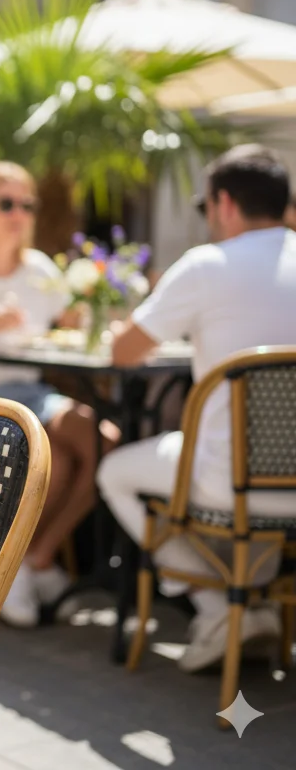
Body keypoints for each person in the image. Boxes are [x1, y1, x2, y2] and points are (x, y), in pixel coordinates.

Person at [98, 144, 296, 673]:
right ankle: (255, 605)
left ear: (224, 203)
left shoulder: (208, 265)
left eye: (206, 206)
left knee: (115, 472)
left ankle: (217, 608)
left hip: (229, 483)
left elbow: (124, 353)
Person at [0, 161, 118, 627]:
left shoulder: (39, 268)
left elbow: (71, 324)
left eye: (27, 205)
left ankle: (35, 558)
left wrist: (97, 313)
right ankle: (13, 569)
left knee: (104, 440)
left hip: (35, 393)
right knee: (54, 460)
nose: (19, 214)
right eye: (7, 203)